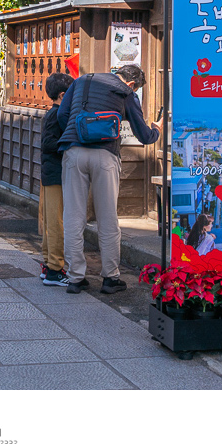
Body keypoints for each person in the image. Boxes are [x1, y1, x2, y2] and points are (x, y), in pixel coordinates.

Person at [56, 64, 161, 294]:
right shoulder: (127, 93)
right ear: (132, 84)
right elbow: (143, 135)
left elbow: (62, 114)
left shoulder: (82, 80)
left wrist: (78, 133)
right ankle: (110, 278)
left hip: (74, 150)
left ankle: (74, 278)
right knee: (107, 217)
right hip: (105, 155)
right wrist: (157, 130)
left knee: (73, 216)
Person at [38, 72, 74, 287]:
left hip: (50, 173)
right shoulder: (57, 114)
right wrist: (69, 144)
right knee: (56, 223)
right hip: (55, 174)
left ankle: (47, 264)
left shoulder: (53, 112)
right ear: (62, 95)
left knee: (50, 221)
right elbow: (48, 144)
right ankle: (55, 270)